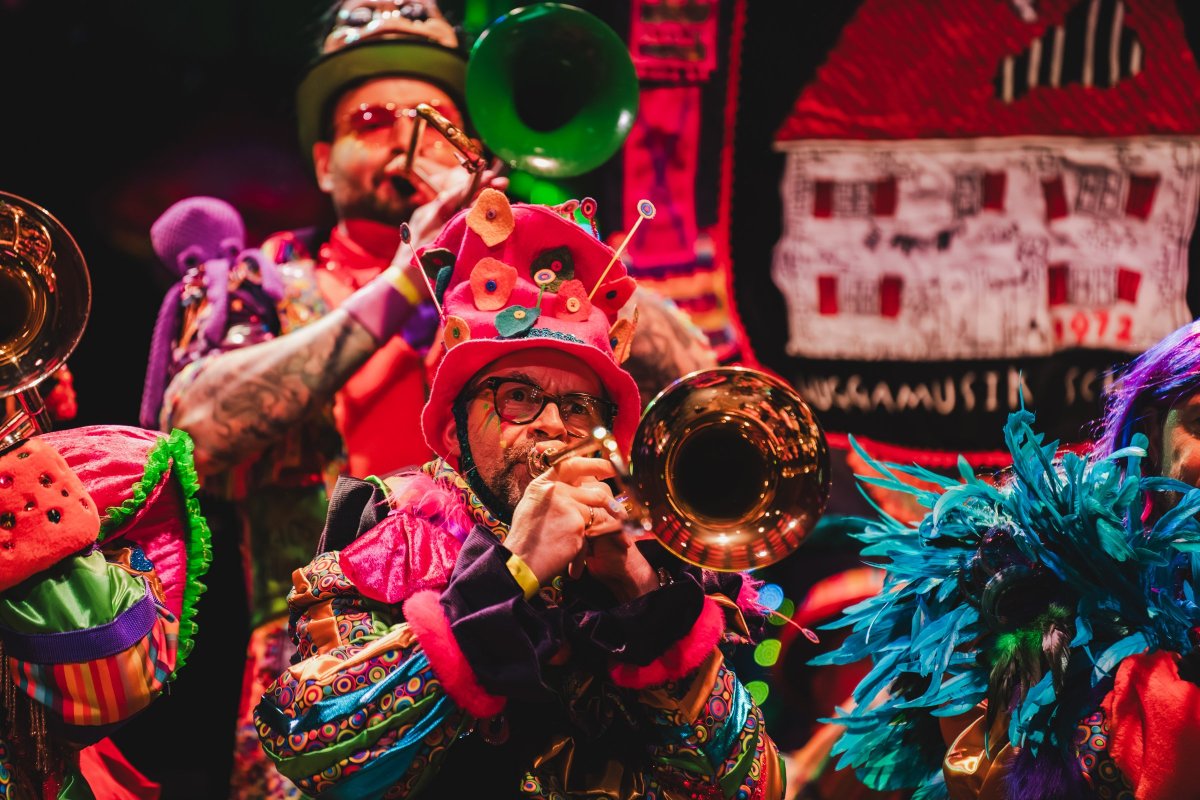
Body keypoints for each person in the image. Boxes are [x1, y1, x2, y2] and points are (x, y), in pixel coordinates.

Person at [252, 189, 783, 798]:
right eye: (520, 396)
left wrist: (639, 596)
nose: (554, 425)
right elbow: (312, 746)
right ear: (452, 433)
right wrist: (511, 574)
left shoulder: (655, 565)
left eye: (579, 406)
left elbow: (753, 790)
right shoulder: (391, 533)